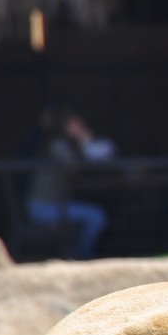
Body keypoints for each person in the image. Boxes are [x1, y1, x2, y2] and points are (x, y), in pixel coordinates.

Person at [25, 109, 109, 259]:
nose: (80, 128)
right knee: (96, 216)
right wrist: (86, 144)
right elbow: (73, 168)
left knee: (93, 214)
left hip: (56, 204)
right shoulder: (57, 145)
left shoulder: (66, 146)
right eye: (75, 124)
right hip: (43, 207)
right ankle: (82, 258)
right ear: (64, 126)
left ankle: (76, 255)